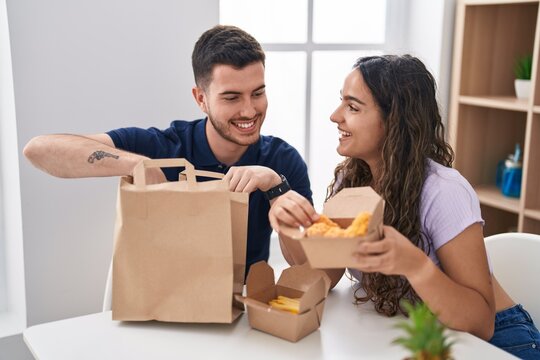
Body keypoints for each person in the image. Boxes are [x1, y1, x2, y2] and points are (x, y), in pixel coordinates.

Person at [269, 55, 540, 358]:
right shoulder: (352, 179)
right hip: (422, 335)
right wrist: (284, 213)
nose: (335, 116)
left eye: (353, 107)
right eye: (341, 103)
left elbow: (481, 323)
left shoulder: (444, 191)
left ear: (393, 121)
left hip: (500, 343)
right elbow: (326, 278)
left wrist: (414, 265)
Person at [24, 25, 313, 275]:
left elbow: (307, 267)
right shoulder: (165, 146)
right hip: (167, 308)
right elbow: (38, 149)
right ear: (201, 99)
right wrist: (135, 165)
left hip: (245, 314)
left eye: (258, 93)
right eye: (231, 97)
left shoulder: (281, 161)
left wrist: (276, 189)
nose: (249, 110)